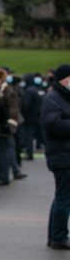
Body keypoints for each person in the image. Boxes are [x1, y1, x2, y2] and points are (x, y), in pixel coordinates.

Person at [41, 64, 70, 250]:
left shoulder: (62, 97)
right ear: (64, 79)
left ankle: (55, 236)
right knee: (64, 197)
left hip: (64, 154)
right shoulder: (53, 98)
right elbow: (52, 124)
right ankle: (59, 237)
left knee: (62, 196)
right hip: (61, 155)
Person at [0, 67, 26, 185]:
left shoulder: (7, 91)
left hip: (5, 126)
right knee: (4, 151)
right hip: (2, 125)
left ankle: (4, 176)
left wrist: (10, 125)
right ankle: (5, 174)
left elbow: (14, 109)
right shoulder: (0, 90)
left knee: (5, 151)